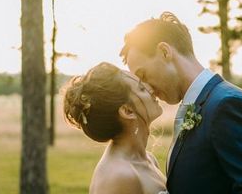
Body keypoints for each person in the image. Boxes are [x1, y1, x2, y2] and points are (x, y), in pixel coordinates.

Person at [121, 12, 242, 194]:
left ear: (165, 52)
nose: (147, 88)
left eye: (143, 75)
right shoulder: (198, 104)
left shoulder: (226, 106)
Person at [63, 61, 168, 194]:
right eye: (142, 88)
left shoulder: (148, 159)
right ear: (127, 111)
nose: (151, 89)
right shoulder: (119, 176)